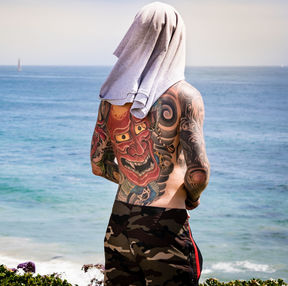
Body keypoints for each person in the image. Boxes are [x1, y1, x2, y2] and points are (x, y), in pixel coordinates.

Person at [90, 2, 210, 285]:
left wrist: (135, 183)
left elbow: (98, 165)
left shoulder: (111, 100)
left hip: (119, 224)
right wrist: (191, 196)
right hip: (164, 225)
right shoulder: (185, 96)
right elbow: (198, 173)